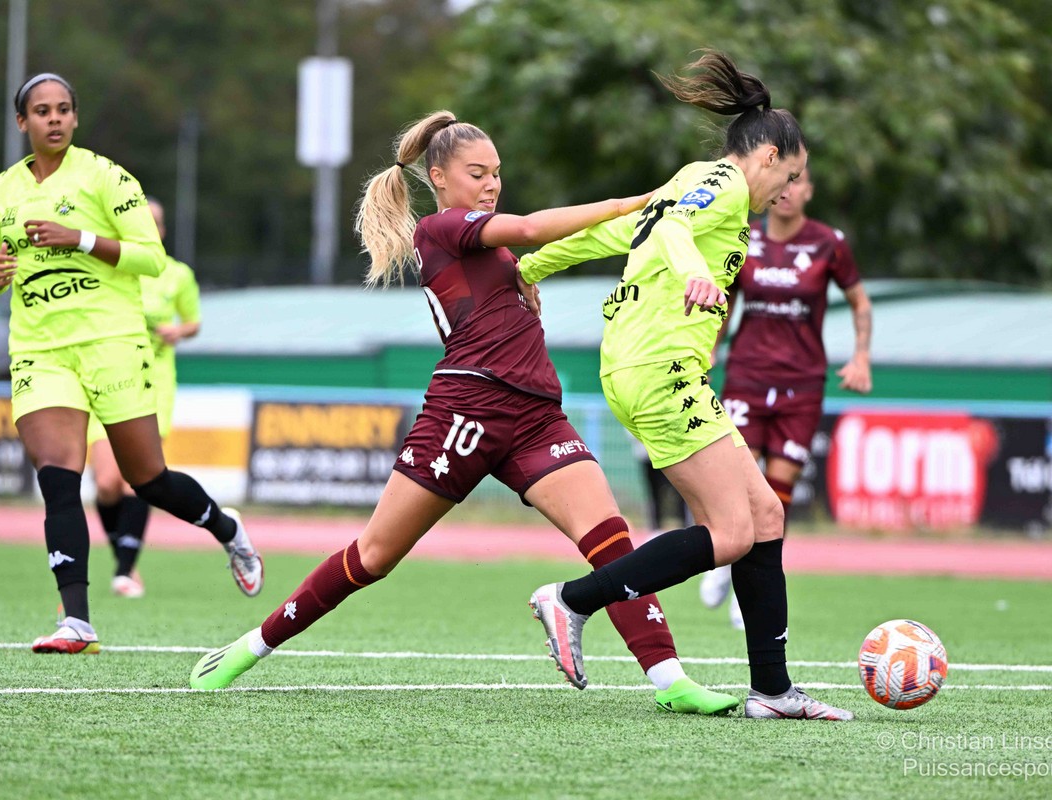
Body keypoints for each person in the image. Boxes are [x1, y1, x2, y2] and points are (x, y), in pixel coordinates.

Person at [189, 110, 740, 716]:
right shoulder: (442, 227)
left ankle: (670, 680)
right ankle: (250, 646)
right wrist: (634, 202)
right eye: (477, 173)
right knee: (374, 555)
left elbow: (524, 257)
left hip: (535, 415)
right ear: (439, 177)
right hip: (467, 410)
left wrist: (527, 282)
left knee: (612, 540)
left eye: (496, 173)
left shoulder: (489, 246)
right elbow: (531, 228)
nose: (491, 183)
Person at [519, 52, 853, 720]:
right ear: (767, 156)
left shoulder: (692, 182)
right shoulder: (722, 186)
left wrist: (531, 266)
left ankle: (773, 690)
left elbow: (621, 231)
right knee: (731, 532)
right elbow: (670, 230)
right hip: (658, 367)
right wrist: (695, 271)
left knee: (764, 516)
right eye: (788, 176)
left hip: (651, 368)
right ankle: (572, 600)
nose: (786, 192)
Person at [0, 73, 262, 655]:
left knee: (146, 479)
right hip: (40, 349)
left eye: (63, 109)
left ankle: (226, 528)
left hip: (112, 344)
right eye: (41, 111)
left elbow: (152, 258)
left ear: (75, 117)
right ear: (22, 122)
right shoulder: (0, 191)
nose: (54, 118)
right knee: (58, 474)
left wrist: (77, 238)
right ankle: (77, 622)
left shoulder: (107, 177)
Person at [699, 166, 873, 628]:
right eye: (785, 180)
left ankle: (752, 583)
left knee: (779, 490)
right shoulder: (745, 238)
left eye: (799, 182)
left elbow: (860, 301)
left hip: (803, 383)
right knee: (738, 476)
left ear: (810, 191)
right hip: (747, 376)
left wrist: (861, 357)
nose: (789, 190)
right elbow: (724, 299)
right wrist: (709, 346)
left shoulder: (828, 243)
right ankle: (727, 559)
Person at [88, 197, 203, 599]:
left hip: (153, 386)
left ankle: (124, 570)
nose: (149, 227)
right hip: (106, 380)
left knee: (137, 480)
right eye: (143, 221)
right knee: (106, 484)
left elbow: (194, 323)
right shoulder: (110, 268)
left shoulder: (178, 275)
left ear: (164, 231)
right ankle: (123, 555)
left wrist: (178, 331)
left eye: (156, 222)